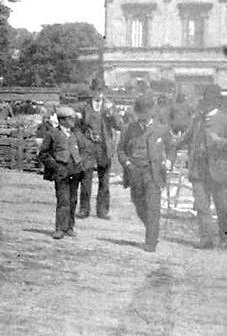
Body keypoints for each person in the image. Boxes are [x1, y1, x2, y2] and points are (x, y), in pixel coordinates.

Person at [118, 97, 172, 253]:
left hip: (152, 173)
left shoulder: (161, 129)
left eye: (146, 112)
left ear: (151, 112)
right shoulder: (128, 129)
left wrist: (169, 161)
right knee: (139, 206)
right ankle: (152, 228)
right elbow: (121, 150)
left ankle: (151, 241)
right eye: (140, 113)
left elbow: (172, 147)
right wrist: (127, 164)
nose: (142, 116)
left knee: (153, 207)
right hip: (135, 172)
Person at [181, 84, 227, 249]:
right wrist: (170, 143)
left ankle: (224, 237)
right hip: (199, 170)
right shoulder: (197, 119)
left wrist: (220, 142)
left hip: (219, 171)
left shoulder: (224, 119)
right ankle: (206, 239)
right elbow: (187, 137)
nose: (205, 104)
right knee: (201, 206)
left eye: (209, 101)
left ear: (216, 102)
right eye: (204, 101)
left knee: (223, 207)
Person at [39, 105, 91, 239]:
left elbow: (85, 150)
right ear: (62, 120)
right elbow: (43, 154)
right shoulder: (52, 134)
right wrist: (56, 167)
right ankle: (60, 229)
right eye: (70, 119)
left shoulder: (76, 134)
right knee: (63, 200)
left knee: (73, 200)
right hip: (61, 172)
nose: (73, 121)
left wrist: (82, 162)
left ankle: (69, 227)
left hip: (76, 172)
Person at [77, 83, 123, 219]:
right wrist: (84, 139)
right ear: (92, 91)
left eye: (102, 91)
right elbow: (77, 128)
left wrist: (111, 114)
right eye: (97, 91)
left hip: (104, 146)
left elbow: (119, 125)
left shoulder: (110, 106)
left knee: (104, 180)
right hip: (88, 147)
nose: (99, 94)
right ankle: (84, 209)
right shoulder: (84, 106)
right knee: (86, 178)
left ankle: (102, 210)